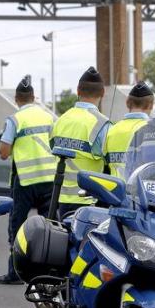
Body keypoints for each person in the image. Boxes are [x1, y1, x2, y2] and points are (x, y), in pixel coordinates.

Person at [0, 75, 57, 285]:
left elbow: (4, 152)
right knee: (50, 228)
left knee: (17, 227)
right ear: (34, 97)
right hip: (50, 180)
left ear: (17, 99)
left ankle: (15, 273)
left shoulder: (14, 119)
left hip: (25, 182)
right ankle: (48, 273)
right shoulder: (49, 117)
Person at [50, 66, 111, 218]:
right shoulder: (102, 124)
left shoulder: (60, 121)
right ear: (103, 93)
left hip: (62, 199)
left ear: (78, 90)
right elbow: (109, 162)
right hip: (90, 200)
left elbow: (53, 148)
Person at [103, 81, 152, 178]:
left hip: (113, 191)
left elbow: (104, 165)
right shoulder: (151, 130)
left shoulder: (111, 130)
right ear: (150, 105)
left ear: (127, 103)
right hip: (139, 191)